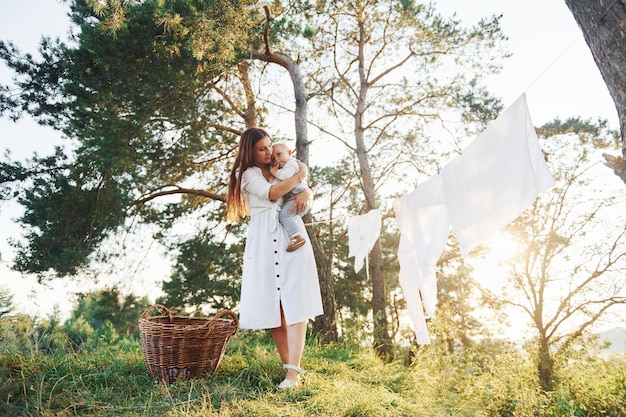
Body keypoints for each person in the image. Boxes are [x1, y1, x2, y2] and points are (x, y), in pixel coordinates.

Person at [226, 127, 324, 390]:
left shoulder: (283, 167)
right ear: (250, 151)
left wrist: (306, 191)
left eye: (270, 146)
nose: (269, 152)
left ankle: (293, 374)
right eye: (262, 149)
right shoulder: (245, 175)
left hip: (292, 237)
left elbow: (298, 192)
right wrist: (301, 176)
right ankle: (289, 369)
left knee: (295, 299)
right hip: (263, 238)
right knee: (274, 306)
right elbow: (272, 193)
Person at [270, 143, 309, 252]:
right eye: (273, 158)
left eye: (279, 154)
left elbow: (286, 175)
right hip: (294, 199)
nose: (277, 159)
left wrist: (274, 172)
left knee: (284, 216)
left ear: (289, 153)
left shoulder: (292, 163)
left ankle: (296, 237)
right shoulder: (288, 164)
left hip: (299, 197)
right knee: (286, 217)